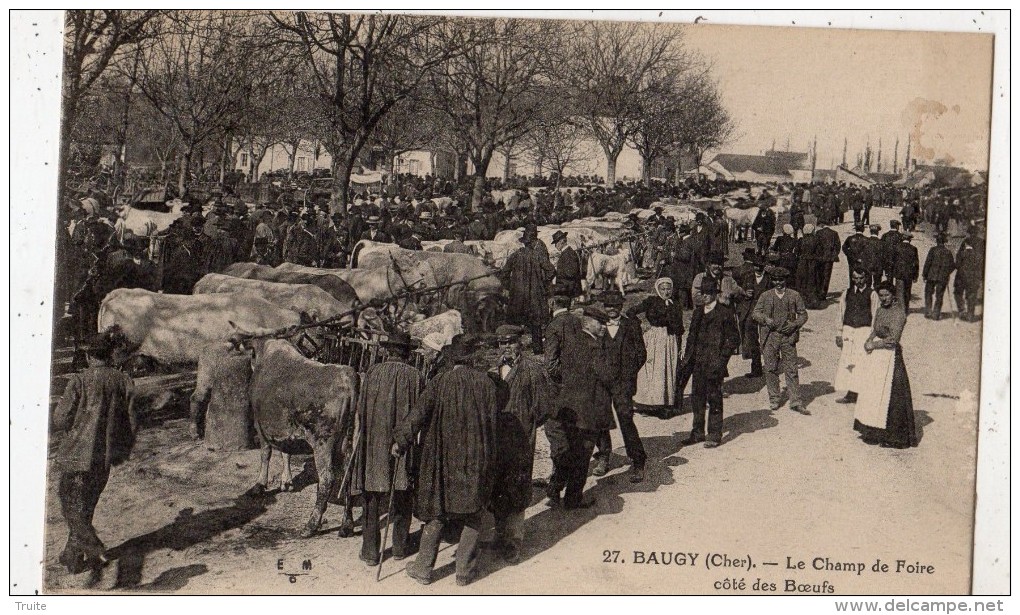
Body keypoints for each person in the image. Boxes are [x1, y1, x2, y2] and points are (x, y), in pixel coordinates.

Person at [393, 337, 496, 586]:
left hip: (442, 457)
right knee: (472, 512)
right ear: (472, 358)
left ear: (453, 359)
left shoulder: (440, 382)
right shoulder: (486, 384)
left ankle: (424, 568)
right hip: (475, 456)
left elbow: (417, 414)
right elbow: (493, 425)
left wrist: (400, 441)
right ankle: (463, 572)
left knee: (437, 512)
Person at [51, 331, 137, 578]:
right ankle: (72, 554)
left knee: (73, 506)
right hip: (103, 456)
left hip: (75, 454)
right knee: (86, 504)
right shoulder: (123, 380)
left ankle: (81, 552)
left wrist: (74, 426)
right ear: (110, 355)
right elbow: (131, 420)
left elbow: (59, 419)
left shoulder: (78, 381)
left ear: (89, 356)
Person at [355, 332, 423, 567]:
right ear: (407, 354)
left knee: (372, 495)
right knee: (403, 492)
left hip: (374, 443)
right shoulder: (415, 377)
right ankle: (400, 548)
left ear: (387, 352)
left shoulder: (372, 373)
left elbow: (361, 411)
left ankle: (371, 552)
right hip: (402, 445)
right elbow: (419, 415)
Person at [488, 325, 555, 563]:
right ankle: (499, 535)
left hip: (520, 440)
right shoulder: (493, 370)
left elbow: (545, 407)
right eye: (501, 343)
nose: (506, 347)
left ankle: (514, 542)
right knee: (497, 486)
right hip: (496, 439)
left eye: (510, 342)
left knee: (517, 486)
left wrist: (527, 423)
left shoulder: (531, 370)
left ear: (520, 343)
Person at [545, 306, 615, 510]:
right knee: (582, 454)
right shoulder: (595, 347)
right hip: (588, 410)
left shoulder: (572, 343)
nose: (604, 327)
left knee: (568, 451)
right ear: (589, 323)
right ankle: (573, 498)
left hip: (568, 407)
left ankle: (554, 489)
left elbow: (557, 369)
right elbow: (608, 376)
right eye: (600, 323)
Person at [852, 281, 918, 449]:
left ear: (893, 295)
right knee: (873, 392)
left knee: (892, 396)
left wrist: (874, 345)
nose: (883, 299)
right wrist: (869, 339)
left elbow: (893, 340)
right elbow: (876, 328)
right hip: (877, 358)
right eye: (881, 296)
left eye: (886, 295)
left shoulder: (899, 313)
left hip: (891, 357)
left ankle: (893, 437)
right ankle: (873, 432)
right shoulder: (880, 309)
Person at [593, 293, 647, 482]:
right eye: (608, 305)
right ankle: (604, 457)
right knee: (600, 421)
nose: (611, 309)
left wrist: (628, 375)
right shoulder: (597, 325)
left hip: (623, 383)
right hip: (601, 383)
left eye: (615, 305)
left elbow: (641, 354)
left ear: (621, 306)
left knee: (626, 419)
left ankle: (638, 461)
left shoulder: (631, 325)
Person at [682, 277, 741, 447]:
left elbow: (734, 339)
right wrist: (688, 357)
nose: (705, 296)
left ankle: (714, 434)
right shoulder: (698, 312)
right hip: (698, 362)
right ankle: (697, 432)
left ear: (715, 294)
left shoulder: (725, 313)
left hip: (715, 363)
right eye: (703, 293)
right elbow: (691, 336)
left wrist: (722, 359)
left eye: (709, 293)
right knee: (697, 398)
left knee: (714, 397)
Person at [752, 266, 810, 414]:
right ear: (772, 280)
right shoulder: (765, 296)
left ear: (786, 280)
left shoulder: (794, 295)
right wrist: (765, 319)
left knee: (791, 369)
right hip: (770, 337)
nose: (778, 283)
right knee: (770, 368)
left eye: (781, 280)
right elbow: (755, 313)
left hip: (788, 337)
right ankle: (774, 398)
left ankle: (795, 401)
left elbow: (803, 314)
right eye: (775, 280)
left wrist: (795, 324)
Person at [630, 278, 684, 411]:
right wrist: (638, 325)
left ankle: (666, 402)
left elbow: (680, 326)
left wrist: (679, 343)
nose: (666, 292)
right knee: (654, 369)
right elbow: (631, 312)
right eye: (663, 289)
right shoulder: (652, 302)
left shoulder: (675, 304)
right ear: (658, 290)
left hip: (670, 340)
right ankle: (650, 401)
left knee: (668, 368)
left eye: (668, 289)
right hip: (655, 338)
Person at [502, 224, 556, 353]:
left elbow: (504, 273)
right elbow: (551, 270)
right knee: (536, 323)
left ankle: (514, 349)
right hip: (535, 294)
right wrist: (543, 282)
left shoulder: (515, 255)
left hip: (518, 295)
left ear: (524, 243)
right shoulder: (538, 256)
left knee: (516, 322)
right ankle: (537, 349)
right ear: (532, 242)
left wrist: (511, 286)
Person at [834, 269, 878, 404]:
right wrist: (839, 334)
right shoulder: (846, 293)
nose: (858, 281)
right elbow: (841, 313)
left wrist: (872, 337)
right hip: (848, 331)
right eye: (855, 278)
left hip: (863, 331)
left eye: (861, 278)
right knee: (848, 363)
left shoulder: (872, 294)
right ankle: (851, 394)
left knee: (862, 363)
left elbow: (875, 315)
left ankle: (862, 393)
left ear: (866, 278)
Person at [733, 253, 771, 378]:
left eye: (761, 266)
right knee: (752, 339)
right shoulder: (748, 277)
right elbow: (740, 292)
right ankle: (757, 368)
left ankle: (772, 366)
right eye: (756, 266)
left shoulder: (769, 279)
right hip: (750, 311)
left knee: (768, 339)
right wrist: (745, 294)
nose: (758, 268)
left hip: (765, 311)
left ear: (764, 266)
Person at [922, 233, 955, 320]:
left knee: (928, 293)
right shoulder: (948, 252)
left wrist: (924, 275)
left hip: (931, 276)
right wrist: (946, 272)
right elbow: (952, 265)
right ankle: (936, 314)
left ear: (937, 241)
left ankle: (928, 311)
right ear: (944, 242)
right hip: (942, 277)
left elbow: (927, 263)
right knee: (939, 296)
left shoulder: (932, 250)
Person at [953, 238, 983, 322]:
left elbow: (957, 264)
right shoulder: (978, 256)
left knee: (958, 293)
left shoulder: (962, 254)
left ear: (966, 245)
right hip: (973, 279)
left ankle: (962, 311)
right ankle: (970, 315)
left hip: (961, 278)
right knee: (971, 295)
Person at [813, 220, 841, 303]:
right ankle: (823, 294)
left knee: (819, 275)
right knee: (827, 276)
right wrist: (834, 254)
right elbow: (838, 245)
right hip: (829, 258)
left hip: (820, 258)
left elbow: (816, 245)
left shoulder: (818, 233)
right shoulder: (834, 233)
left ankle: (818, 292)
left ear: (821, 225)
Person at [552, 230, 583, 300]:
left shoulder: (569, 254)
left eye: (556, 243)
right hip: (567, 289)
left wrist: (557, 272)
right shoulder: (566, 253)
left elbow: (571, 273)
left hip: (569, 291)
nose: (555, 245)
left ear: (561, 242)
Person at [892, 232, 920, 311]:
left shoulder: (897, 247)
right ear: (910, 239)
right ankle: (906, 309)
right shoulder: (913, 248)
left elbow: (893, 261)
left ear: (902, 238)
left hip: (899, 273)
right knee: (907, 292)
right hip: (909, 274)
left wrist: (893, 272)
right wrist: (915, 275)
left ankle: (899, 309)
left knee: (899, 292)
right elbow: (916, 263)